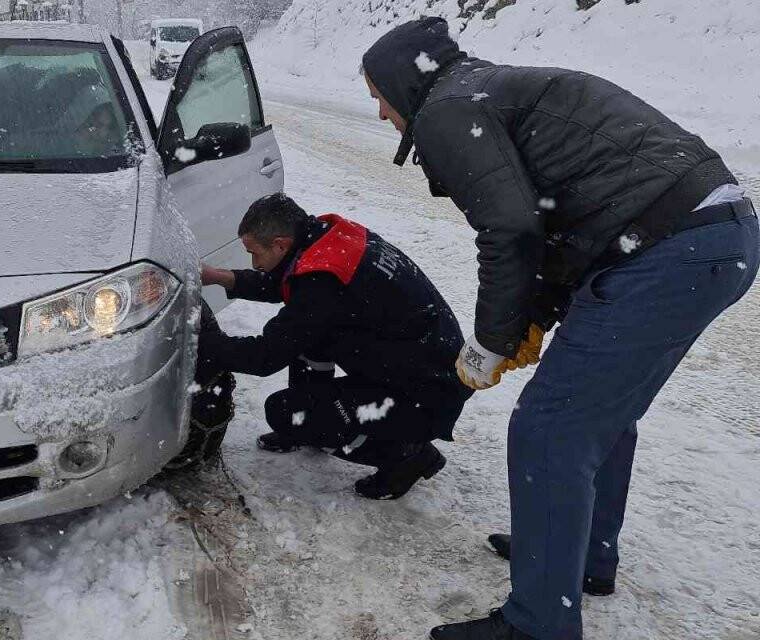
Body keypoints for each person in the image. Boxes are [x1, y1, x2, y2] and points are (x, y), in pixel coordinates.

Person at [361, 17, 758, 640]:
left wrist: (491, 341)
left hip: (668, 246)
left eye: (378, 97)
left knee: (550, 428)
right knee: (599, 411)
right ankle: (580, 560)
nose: (381, 114)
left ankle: (540, 622)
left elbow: (510, 229)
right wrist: (533, 319)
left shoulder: (446, 109)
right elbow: (550, 227)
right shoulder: (484, 90)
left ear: (399, 85)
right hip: (713, 235)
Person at [198, 193, 473, 500]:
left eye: (253, 253)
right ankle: (314, 421)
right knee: (310, 335)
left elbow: (265, 357)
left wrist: (203, 342)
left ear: (280, 244)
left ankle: (406, 457)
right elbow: (287, 285)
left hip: (427, 391)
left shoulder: (323, 278)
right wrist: (219, 278)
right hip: (417, 362)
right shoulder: (330, 239)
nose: (253, 262)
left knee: (284, 411)